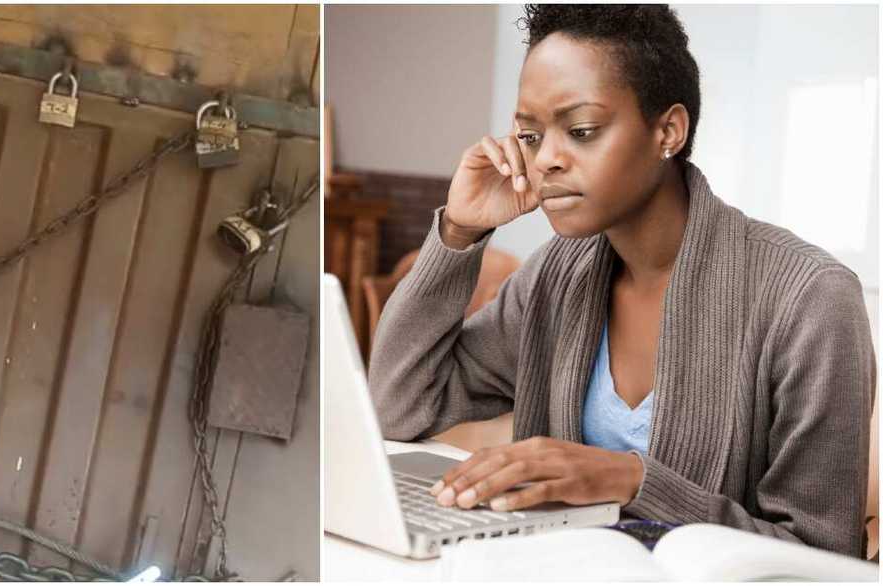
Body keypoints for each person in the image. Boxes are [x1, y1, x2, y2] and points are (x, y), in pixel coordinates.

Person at [368, 4, 875, 557]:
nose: (546, 160)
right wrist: (459, 230)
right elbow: (399, 409)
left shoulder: (810, 298)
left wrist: (633, 482)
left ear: (668, 131)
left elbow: (822, 556)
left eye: (581, 131)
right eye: (530, 136)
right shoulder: (554, 278)